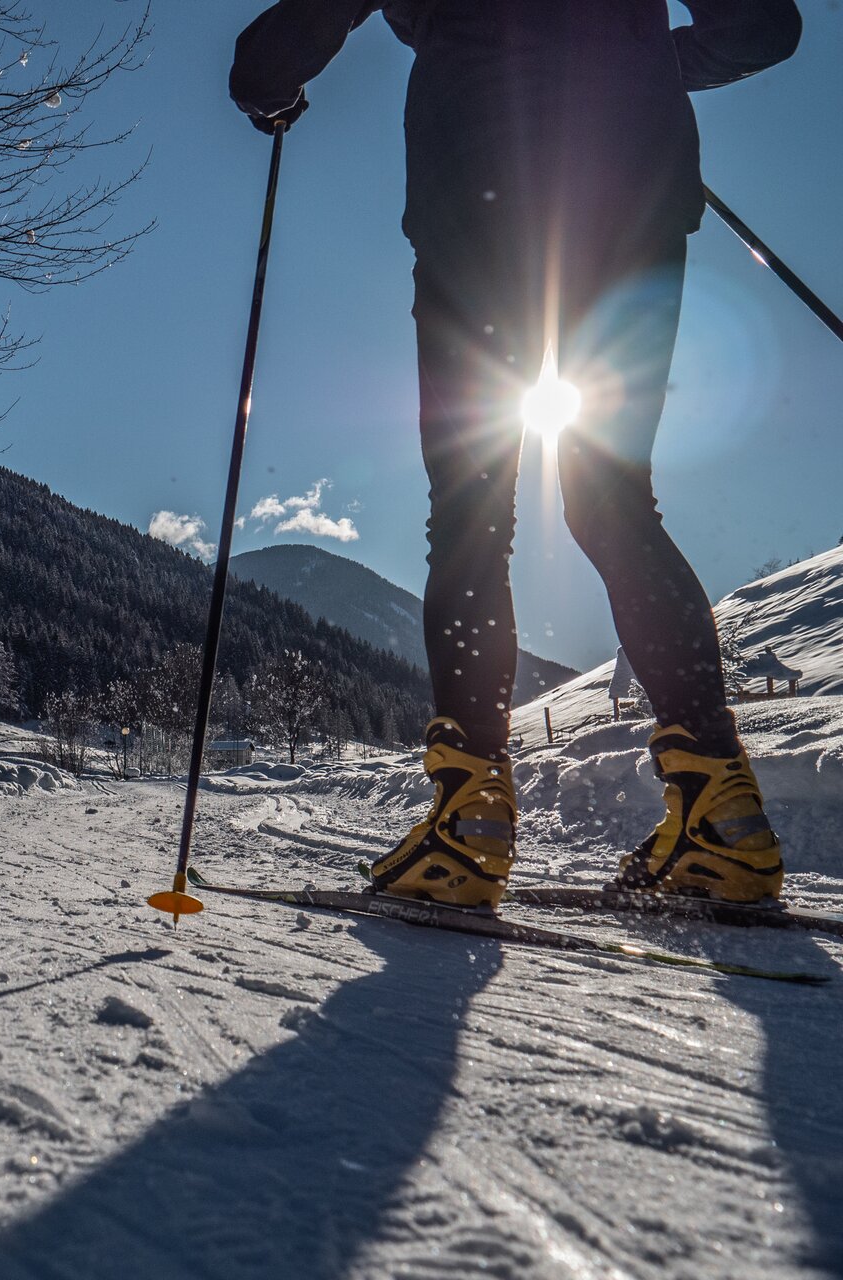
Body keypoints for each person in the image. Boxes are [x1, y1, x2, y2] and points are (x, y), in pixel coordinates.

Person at [229, 0, 802, 907]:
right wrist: (640, 64)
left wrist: (263, 78)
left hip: (478, 176)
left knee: (471, 503)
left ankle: (471, 820)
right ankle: (720, 815)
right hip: (635, 184)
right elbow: (763, 25)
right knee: (616, 499)